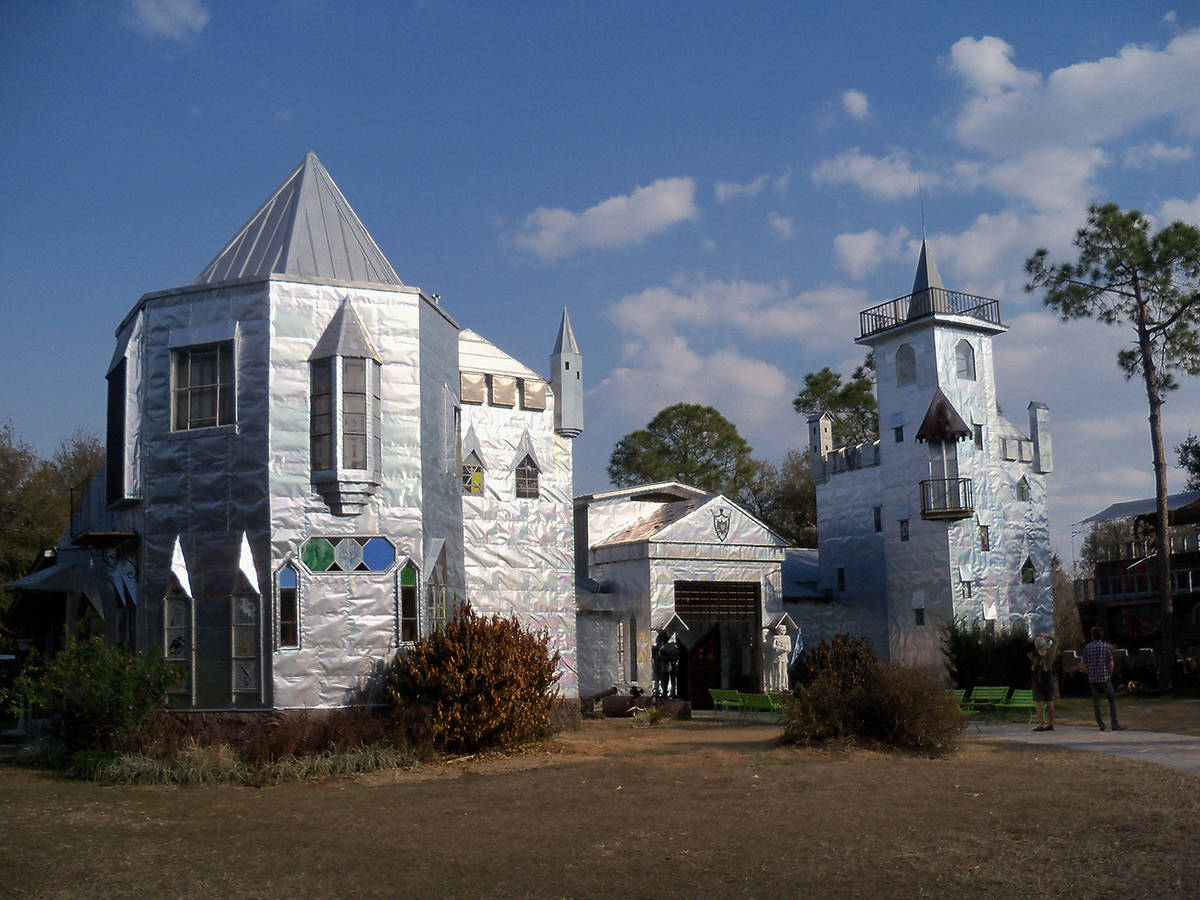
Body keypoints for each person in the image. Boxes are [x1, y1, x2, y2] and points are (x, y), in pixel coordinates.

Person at [1082, 626, 1125, 731]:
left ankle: (1101, 723)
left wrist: (1089, 673)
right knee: (1111, 700)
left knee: (1096, 703)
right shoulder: (1106, 647)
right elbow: (1110, 663)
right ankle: (1114, 723)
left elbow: (1085, 664)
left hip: (1093, 679)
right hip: (1104, 677)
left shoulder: (1087, 648)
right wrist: (1110, 674)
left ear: (1092, 636)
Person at [1030, 633, 1057, 731]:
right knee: (1049, 700)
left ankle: (1041, 724)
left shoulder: (1035, 655)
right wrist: (1047, 635)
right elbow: (1055, 641)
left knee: (1039, 701)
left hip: (1038, 678)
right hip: (1048, 676)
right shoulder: (1050, 652)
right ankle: (1051, 723)